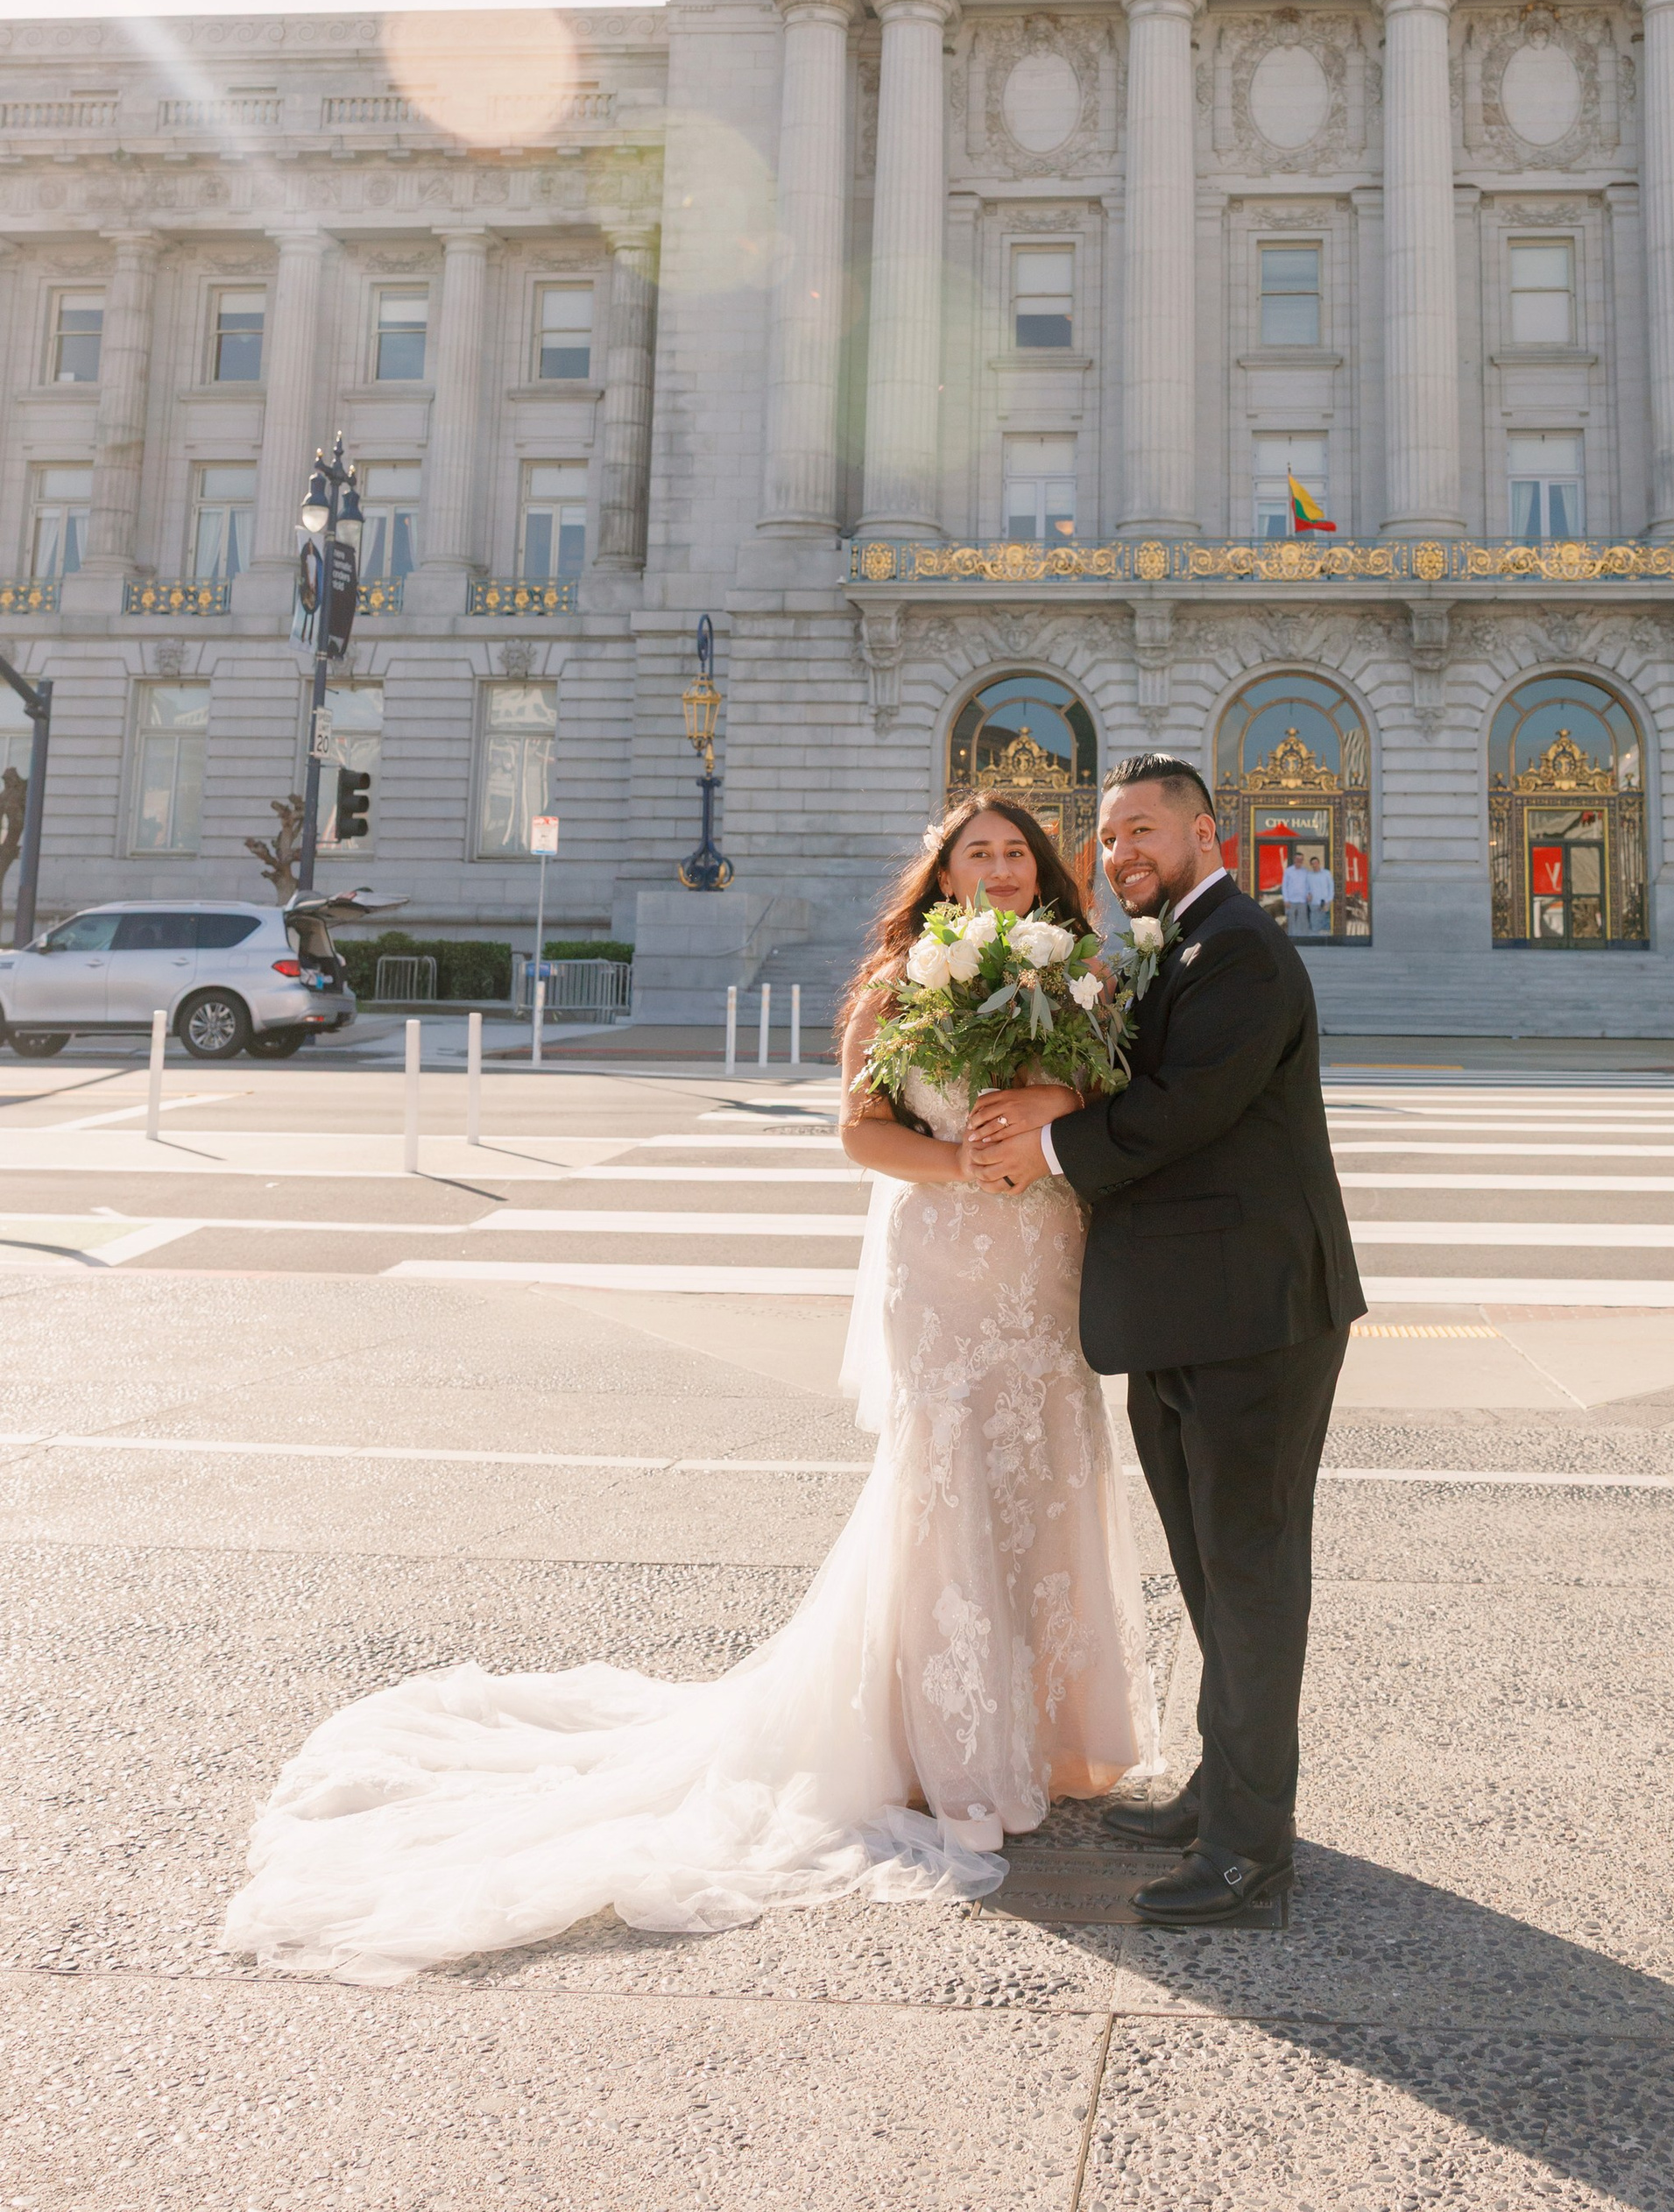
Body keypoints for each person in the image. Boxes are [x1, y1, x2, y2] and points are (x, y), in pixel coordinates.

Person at [220, 791, 1151, 1986]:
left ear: (1041, 875)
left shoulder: (1080, 976)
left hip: (1045, 1266)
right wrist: (966, 1165)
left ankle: (1055, 1733)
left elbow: (1105, 1108)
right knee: (950, 1481)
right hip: (954, 1264)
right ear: (944, 874)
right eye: (980, 851)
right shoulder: (896, 981)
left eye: (1017, 853)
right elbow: (860, 1133)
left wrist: (1055, 1128)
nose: (1003, 867)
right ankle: (947, 1749)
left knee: (1049, 1476)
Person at [967, 754, 1365, 1925]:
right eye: (1110, 837)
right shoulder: (1170, 944)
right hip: (1186, 1310)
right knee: (1210, 1574)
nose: (1124, 852)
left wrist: (1048, 1134)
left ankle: (1251, 1859)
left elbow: (1183, 1109)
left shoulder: (1237, 946)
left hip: (1257, 1318)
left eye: (1144, 830)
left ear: (1207, 832)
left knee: (1250, 1581)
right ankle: (1224, 1791)